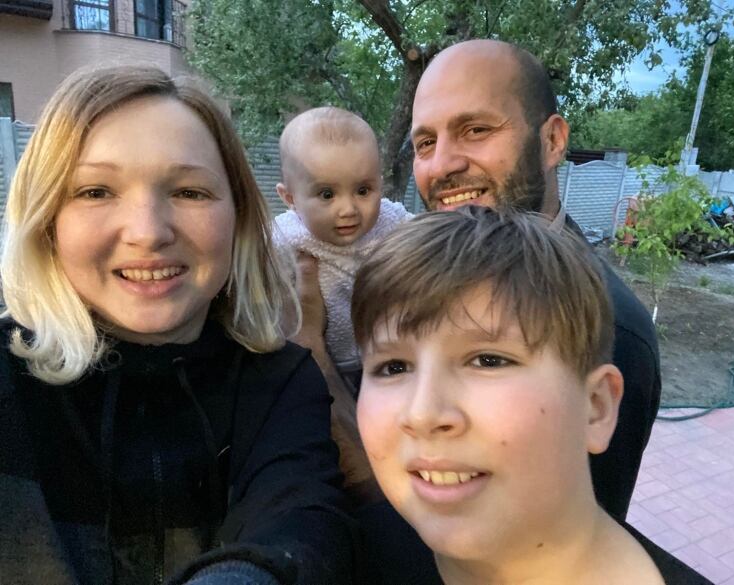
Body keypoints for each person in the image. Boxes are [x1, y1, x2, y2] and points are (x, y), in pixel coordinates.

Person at [0, 66, 354, 585]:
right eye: (96, 191)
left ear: (237, 215)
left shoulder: (281, 383)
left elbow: (302, 531)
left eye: (189, 192)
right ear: (47, 218)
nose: (148, 232)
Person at [353, 207, 711, 585]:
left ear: (595, 408)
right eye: (393, 367)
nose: (422, 413)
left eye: (488, 360)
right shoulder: (347, 553)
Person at [409, 39, 661, 520]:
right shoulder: (431, 281)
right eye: (425, 143)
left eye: (475, 129)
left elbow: (573, 542)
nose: (442, 165)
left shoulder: (606, 329)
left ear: (552, 141)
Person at [274, 106, 411, 390]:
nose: (348, 209)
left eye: (363, 190)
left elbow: (431, 239)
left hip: (390, 354)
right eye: (327, 194)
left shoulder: (391, 220)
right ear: (290, 198)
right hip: (322, 361)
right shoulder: (284, 236)